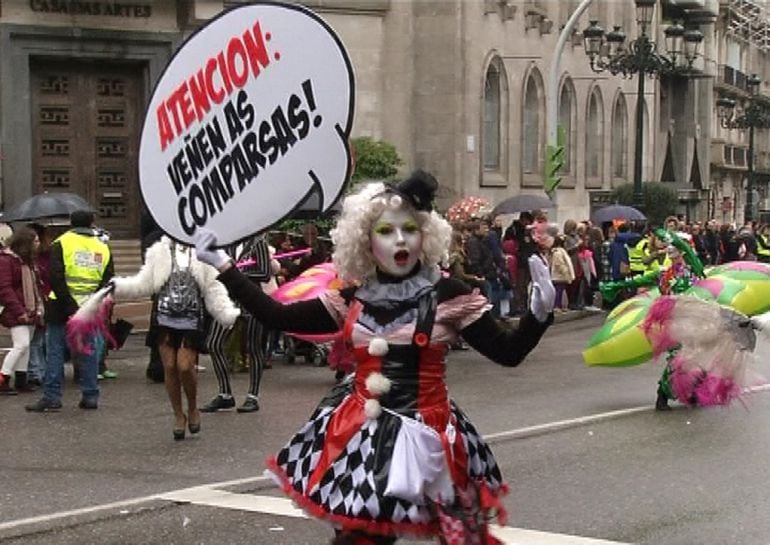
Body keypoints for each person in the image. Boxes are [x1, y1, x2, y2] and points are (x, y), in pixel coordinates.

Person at [194, 170, 555, 545]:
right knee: (359, 538)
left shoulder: (449, 294)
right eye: (386, 231)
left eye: (409, 229)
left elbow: (508, 353)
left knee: (462, 537)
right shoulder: (352, 297)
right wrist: (224, 266)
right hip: (360, 434)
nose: (399, 240)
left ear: (425, 236)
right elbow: (277, 317)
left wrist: (539, 315)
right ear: (365, 241)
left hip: (428, 439)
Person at [109, 236, 239, 439]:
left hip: (191, 318)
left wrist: (225, 312)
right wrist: (119, 287)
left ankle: (193, 407)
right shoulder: (158, 251)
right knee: (169, 366)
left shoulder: (203, 253)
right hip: (164, 318)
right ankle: (179, 415)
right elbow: (144, 283)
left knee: (185, 366)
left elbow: (213, 286)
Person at [26, 210, 113, 412]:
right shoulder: (102, 247)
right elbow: (108, 281)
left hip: (60, 307)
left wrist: (69, 305)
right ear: (92, 223)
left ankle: (52, 397)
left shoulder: (61, 243)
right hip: (89, 306)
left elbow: (55, 277)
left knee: (55, 351)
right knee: (89, 351)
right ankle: (90, 395)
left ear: (71, 223)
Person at [202, 234, 272, 413]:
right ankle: (225, 394)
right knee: (214, 343)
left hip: (252, 299)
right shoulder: (226, 243)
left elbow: (265, 273)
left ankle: (253, 396)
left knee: (253, 347)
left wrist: (235, 273)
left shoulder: (259, 242)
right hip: (229, 299)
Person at [0, 227, 45, 394]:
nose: (38, 244)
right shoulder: (7, 260)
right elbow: (5, 289)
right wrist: (19, 311)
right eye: (35, 241)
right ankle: (3, 378)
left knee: (24, 346)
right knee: (22, 344)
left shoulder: (27, 261)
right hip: (17, 308)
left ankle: (21, 378)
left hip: (30, 307)